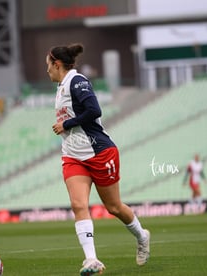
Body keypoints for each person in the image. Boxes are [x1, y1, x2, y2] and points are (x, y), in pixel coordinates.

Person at [47, 43, 150, 275]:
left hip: (99, 152)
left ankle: (142, 236)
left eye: (48, 65)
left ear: (57, 64)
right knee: (78, 205)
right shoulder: (61, 86)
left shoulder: (77, 81)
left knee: (113, 207)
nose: (47, 71)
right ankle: (91, 260)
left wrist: (66, 124)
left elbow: (94, 110)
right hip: (73, 156)